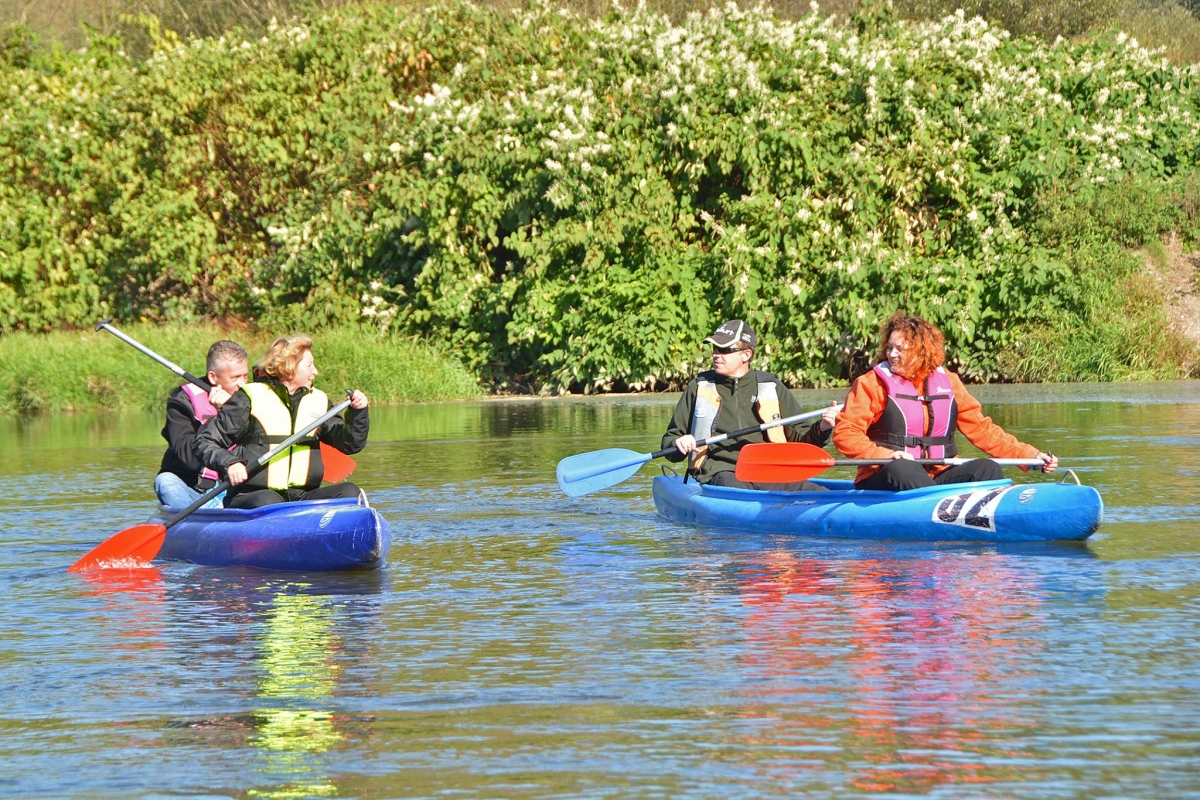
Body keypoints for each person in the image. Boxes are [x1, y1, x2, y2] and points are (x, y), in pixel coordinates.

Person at [833, 312, 1058, 491]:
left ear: (921, 351)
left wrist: (1030, 456)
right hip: (886, 477)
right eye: (889, 348)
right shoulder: (871, 383)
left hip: (936, 476)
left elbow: (982, 429)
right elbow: (846, 433)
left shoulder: (948, 382)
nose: (891, 354)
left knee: (987, 469)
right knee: (902, 468)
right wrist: (885, 456)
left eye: (900, 349)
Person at [194, 333, 369, 509]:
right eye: (309, 365)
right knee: (270, 502)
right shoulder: (248, 398)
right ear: (289, 368)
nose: (315, 371)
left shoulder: (319, 401)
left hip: (302, 496)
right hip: (253, 496)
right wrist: (230, 463)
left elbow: (350, 444)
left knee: (350, 493)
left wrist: (357, 412)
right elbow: (205, 442)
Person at [662, 319, 839, 491]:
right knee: (736, 485)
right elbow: (669, 444)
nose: (716, 354)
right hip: (721, 472)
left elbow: (802, 443)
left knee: (817, 492)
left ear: (746, 355)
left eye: (724, 350)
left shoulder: (771, 387)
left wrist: (823, 427)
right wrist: (680, 443)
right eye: (715, 348)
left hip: (771, 471)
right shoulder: (698, 387)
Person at [154, 340, 249, 510]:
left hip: (235, 489)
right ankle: (193, 523)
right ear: (213, 377)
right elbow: (189, 457)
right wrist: (220, 416)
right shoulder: (182, 401)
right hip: (194, 489)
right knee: (165, 481)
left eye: (245, 376)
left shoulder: (251, 397)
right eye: (234, 378)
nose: (242, 384)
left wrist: (234, 412)